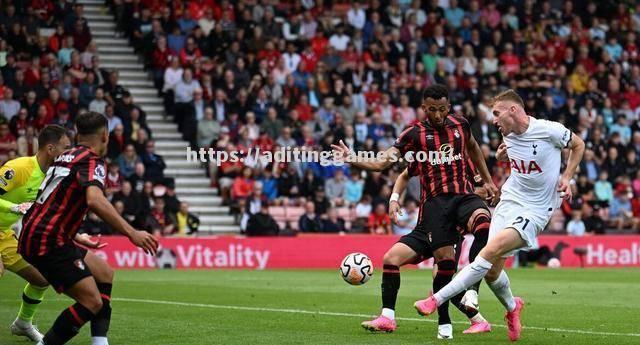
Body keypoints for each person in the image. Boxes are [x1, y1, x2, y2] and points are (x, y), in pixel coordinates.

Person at [412, 89, 585, 342]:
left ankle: (436, 299)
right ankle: (513, 308)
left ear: (513, 110)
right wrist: (502, 156)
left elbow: (578, 144)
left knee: (491, 249)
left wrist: (567, 177)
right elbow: (514, 156)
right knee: (492, 271)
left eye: (496, 113)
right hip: (510, 201)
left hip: (536, 210)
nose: (493, 120)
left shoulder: (549, 130)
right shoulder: (508, 135)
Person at [333, 84, 498, 338]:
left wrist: (487, 181)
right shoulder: (415, 136)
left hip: (461, 203)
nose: (438, 115)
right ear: (424, 108)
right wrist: (353, 159)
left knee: (479, 229)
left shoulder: (461, 126)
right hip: (431, 216)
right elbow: (383, 164)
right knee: (392, 260)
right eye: (432, 110)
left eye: (442, 109)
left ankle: (463, 308)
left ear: (449, 107)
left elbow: (474, 147)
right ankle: (388, 318)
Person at [18, 112, 158, 345]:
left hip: (41, 231)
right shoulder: (92, 160)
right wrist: (132, 233)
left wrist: (75, 235)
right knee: (92, 302)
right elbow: (95, 200)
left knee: (104, 272)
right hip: (47, 239)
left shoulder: (65, 156)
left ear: (77, 132)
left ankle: (100, 342)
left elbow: (54, 202)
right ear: (105, 135)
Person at [0, 125, 105, 342]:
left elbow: (46, 215)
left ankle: (23, 323)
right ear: (50, 148)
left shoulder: (52, 175)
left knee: (40, 279)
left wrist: (76, 236)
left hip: (8, 233)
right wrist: (13, 207)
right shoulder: (19, 168)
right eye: (65, 148)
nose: (69, 152)